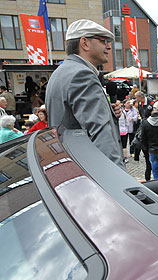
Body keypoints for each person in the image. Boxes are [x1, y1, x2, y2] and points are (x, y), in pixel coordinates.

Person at [45, 19, 125, 169]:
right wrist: (120, 182)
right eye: (103, 40)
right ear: (85, 43)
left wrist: (110, 112)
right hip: (91, 172)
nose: (108, 46)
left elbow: (72, 120)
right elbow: (101, 136)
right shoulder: (82, 75)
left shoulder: (60, 73)